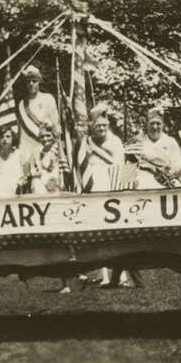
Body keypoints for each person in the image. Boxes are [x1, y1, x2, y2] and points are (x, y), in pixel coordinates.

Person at [77, 107, 127, 287]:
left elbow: (121, 167)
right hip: (94, 191)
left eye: (104, 125)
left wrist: (123, 191)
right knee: (100, 237)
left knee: (118, 236)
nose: (101, 129)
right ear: (92, 126)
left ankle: (121, 275)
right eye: (98, 125)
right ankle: (104, 275)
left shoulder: (116, 142)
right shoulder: (87, 142)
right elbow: (81, 166)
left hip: (113, 191)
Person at [128, 107, 181, 190]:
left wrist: (171, 173)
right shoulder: (138, 140)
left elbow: (178, 163)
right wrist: (130, 179)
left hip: (165, 179)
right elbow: (128, 163)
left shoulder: (170, 141)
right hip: (143, 178)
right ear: (147, 124)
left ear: (163, 125)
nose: (155, 127)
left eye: (158, 124)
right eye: (152, 123)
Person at [17, 65, 60, 156]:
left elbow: (55, 125)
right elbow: (22, 132)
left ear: (39, 82)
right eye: (28, 81)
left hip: (46, 146)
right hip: (28, 148)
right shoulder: (22, 104)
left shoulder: (48, 98)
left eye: (34, 81)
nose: (31, 84)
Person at [28, 126, 70, 195]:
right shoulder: (36, 152)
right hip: (39, 186)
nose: (45, 139)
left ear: (54, 136)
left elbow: (65, 171)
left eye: (48, 135)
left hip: (55, 186)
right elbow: (32, 171)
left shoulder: (58, 150)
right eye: (42, 136)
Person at [0, 126, 28, 198]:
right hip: (2, 189)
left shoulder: (19, 154)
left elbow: (25, 174)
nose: (4, 139)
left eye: (8, 137)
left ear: (13, 138)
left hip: (17, 188)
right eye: (2, 137)